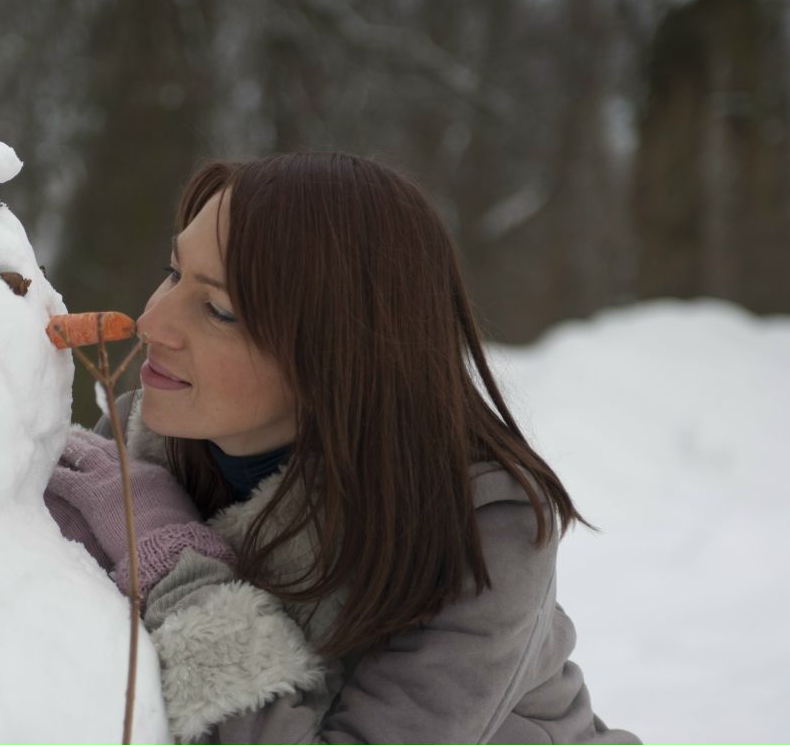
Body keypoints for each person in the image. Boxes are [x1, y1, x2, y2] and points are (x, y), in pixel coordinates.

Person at [43, 152, 640, 745]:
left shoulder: (479, 524)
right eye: (174, 273)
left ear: (339, 353)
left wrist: (171, 558)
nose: (150, 322)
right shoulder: (139, 451)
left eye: (219, 309)